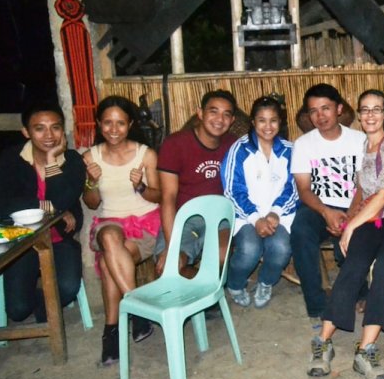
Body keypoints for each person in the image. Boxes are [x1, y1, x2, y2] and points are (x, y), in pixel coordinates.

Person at [306, 89, 384, 379]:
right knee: (353, 266)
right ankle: (323, 341)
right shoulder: (363, 147)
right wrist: (350, 218)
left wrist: (350, 227)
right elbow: (362, 190)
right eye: (365, 110)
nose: (370, 115)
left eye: (376, 109)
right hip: (373, 220)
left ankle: (365, 350)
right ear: (359, 115)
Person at [81, 95, 161, 366]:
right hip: (109, 224)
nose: (113, 129)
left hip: (144, 225)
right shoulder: (90, 157)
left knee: (108, 262)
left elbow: (158, 195)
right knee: (108, 236)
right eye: (107, 123)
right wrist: (91, 182)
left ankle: (111, 332)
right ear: (99, 124)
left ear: (130, 125)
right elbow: (92, 203)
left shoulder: (145, 154)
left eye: (120, 123)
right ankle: (138, 310)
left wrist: (140, 186)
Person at [0, 101, 85, 323]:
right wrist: (50, 207)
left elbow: (61, 199)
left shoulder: (72, 160)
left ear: (63, 129)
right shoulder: (12, 159)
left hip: (59, 238)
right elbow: (2, 205)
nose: (49, 135)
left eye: (55, 127)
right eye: (39, 128)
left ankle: (45, 312)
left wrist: (52, 160)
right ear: (26, 132)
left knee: (68, 288)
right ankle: (34, 300)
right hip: (21, 241)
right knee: (18, 311)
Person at [290, 83, 366, 325]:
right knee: (300, 231)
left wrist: (350, 215)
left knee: (353, 236)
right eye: (313, 111)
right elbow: (304, 189)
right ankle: (317, 304)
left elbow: (364, 185)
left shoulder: (359, 140)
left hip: (355, 205)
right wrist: (326, 212)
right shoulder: (303, 144)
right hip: (318, 207)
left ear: (339, 109)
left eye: (326, 108)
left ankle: (361, 291)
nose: (320, 116)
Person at [222, 96, 298, 308]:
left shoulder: (289, 150)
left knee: (281, 248)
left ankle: (266, 282)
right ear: (253, 122)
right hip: (246, 216)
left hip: (279, 215)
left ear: (280, 122)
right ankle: (235, 284)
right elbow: (232, 190)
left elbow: (294, 187)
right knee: (249, 249)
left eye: (273, 120)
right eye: (262, 120)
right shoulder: (240, 150)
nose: (268, 126)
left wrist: (275, 212)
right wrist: (255, 219)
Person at [154, 89, 237, 278]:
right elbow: (168, 197)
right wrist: (172, 247)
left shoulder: (233, 144)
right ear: (200, 113)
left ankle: (206, 287)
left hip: (219, 218)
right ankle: (203, 289)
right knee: (169, 267)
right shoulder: (175, 144)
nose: (219, 119)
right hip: (184, 218)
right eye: (213, 111)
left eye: (226, 114)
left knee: (221, 255)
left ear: (232, 120)